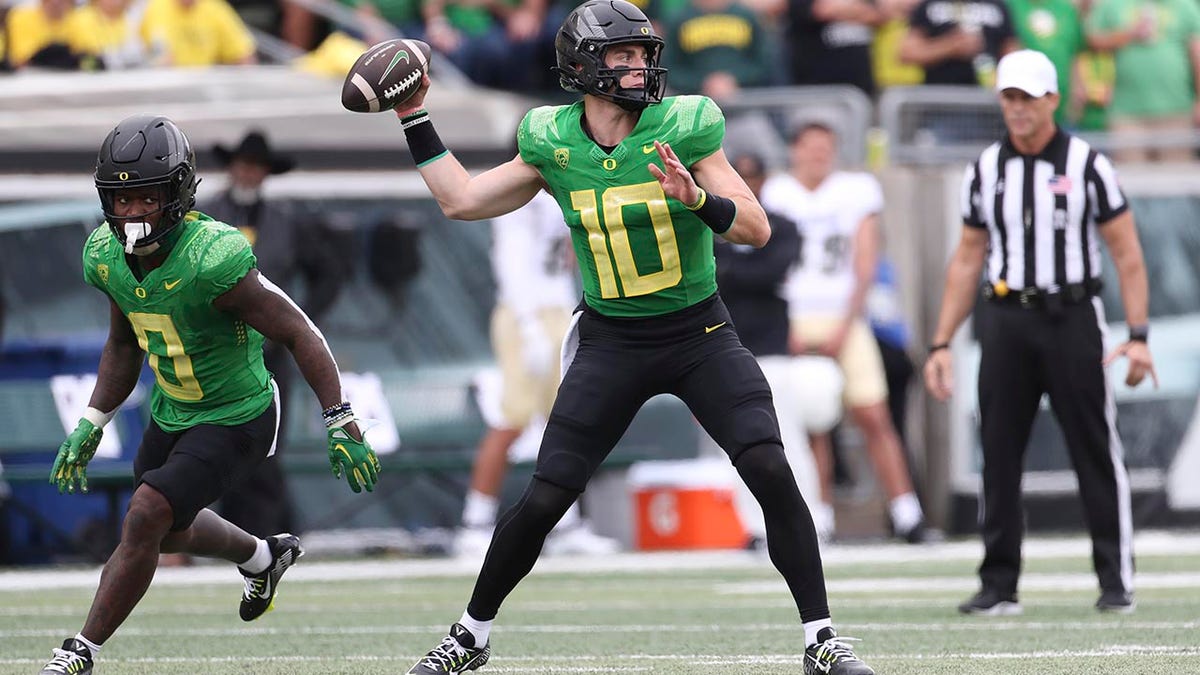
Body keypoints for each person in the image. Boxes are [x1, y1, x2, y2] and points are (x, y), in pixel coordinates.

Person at [390, 2, 875, 673]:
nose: (640, 66)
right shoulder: (550, 140)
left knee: (768, 463)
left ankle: (821, 637)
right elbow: (461, 199)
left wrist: (698, 199)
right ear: (584, 67)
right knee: (547, 493)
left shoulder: (686, 125)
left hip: (699, 329)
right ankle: (470, 634)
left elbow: (756, 227)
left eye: (645, 54)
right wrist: (414, 117)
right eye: (624, 56)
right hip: (612, 340)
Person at [37, 114, 380, 675]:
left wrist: (340, 419)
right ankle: (263, 557)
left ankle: (79, 652)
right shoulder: (102, 254)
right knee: (164, 525)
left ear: (175, 194)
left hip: (238, 413)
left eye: (145, 198)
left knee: (146, 515)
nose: (131, 213)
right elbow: (124, 343)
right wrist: (92, 421)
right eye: (119, 201)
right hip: (172, 410)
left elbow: (300, 331)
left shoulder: (213, 256)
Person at [924, 50, 1156, 616]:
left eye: (1028, 97)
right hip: (1006, 318)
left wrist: (1140, 333)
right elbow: (966, 257)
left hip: (1073, 316)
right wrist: (940, 342)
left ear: (1052, 99)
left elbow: (1127, 254)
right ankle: (999, 582)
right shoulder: (984, 169)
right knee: (999, 451)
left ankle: (1114, 578)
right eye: (1009, 97)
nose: (1018, 108)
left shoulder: (1088, 164)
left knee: (1094, 448)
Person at [760, 121, 931, 544]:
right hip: (794, 318)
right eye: (811, 147)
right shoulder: (776, 194)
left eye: (827, 148)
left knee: (874, 413)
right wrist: (782, 323)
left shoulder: (855, 191)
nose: (819, 156)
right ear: (794, 150)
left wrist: (847, 320)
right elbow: (766, 262)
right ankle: (819, 517)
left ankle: (906, 512)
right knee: (811, 419)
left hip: (845, 317)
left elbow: (865, 263)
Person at [201, 130, 348, 542]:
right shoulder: (205, 217)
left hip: (267, 356)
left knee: (265, 450)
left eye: (256, 166)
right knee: (214, 446)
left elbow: (329, 273)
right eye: (242, 164)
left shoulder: (288, 223)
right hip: (214, 355)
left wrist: (300, 323)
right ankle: (225, 539)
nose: (248, 173)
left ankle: (265, 540)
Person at [456, 188, 618, 559]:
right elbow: (510, 261)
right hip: (522, 312)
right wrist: (529, 325)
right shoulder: (520, 195)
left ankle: (566, 524)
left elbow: (567, 258)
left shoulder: (565, 187)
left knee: (565, 420)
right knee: (511, 419)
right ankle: (475, 523)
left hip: (556, 309)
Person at [713, 153, 824, 546]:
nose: (747, 182)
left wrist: (729, 270)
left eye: (753, 176)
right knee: (737, 444)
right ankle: (755, 529)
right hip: (726, 345)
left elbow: (770, 270)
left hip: (772, 345)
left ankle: (812, 518)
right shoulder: (708, 222)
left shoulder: (781, 225)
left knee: (787, 436)